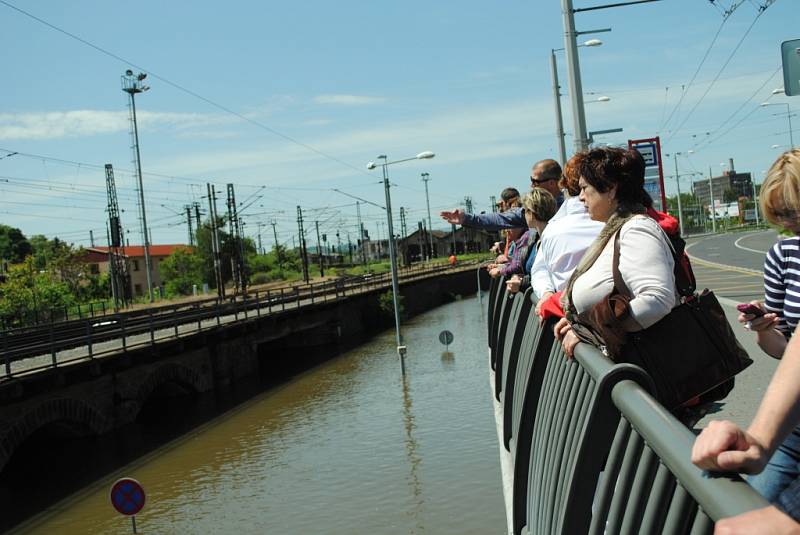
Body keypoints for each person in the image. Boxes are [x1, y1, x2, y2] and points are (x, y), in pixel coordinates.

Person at [693, 148, 800, 511]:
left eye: (794, 213)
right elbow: (785, 349)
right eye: (781, 216)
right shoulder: (782, 255)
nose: (789, 226)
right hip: (795, 420)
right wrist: (763, 329)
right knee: (749, 505)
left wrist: (761, 440)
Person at [553, 146, 676, 358]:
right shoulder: (616, 230)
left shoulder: (636, 229)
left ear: (610, 189)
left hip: (644, 371)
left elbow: (657, 299)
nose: (580, 197)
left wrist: (592, 332)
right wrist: (580, 322)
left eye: (584, 188)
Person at [530, 153, 603, 311]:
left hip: (570, 315)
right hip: (618, 313)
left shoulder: (553, 229)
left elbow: (539, 270)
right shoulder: (620, 221)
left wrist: (547, 294)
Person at [439, 159, 563, 230]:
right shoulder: (531, 210)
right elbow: (500, 218)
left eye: (535, 181)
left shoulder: (570, 207)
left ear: (552, 183)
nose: (531, 185)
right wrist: (466, 218)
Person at [499, 189, 558, 290]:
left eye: (525, 211)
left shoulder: (547, 239)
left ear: (532, 213)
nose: (523, 215)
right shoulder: (539, 238)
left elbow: (551, 276)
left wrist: (522, 282)